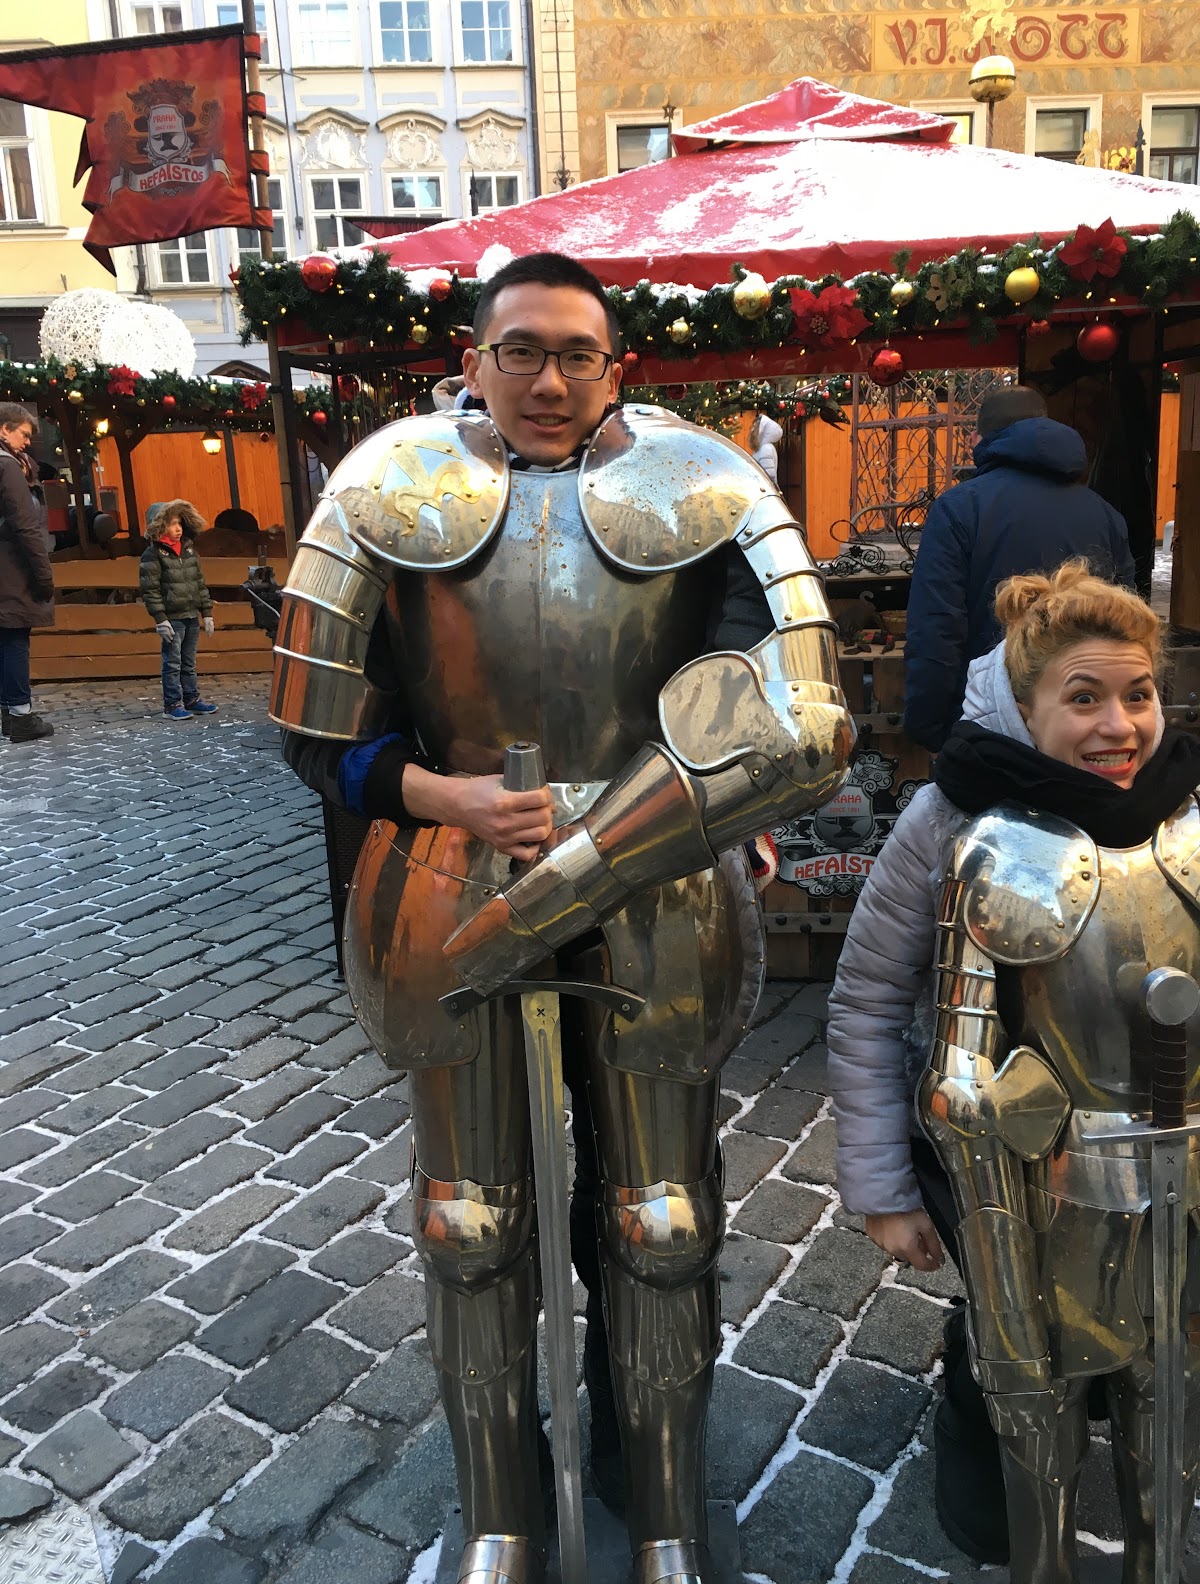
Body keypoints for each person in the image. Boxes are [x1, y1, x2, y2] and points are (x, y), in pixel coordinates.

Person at [272, 251, 853, 1584]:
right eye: (520, 350)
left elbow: (801, 713)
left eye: (574, 353)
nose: (546, 379)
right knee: (468, 1224)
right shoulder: (384, 484)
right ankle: (502, 1512)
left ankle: (663, 1511)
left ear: (614, 366)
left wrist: (626, 842)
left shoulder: (707, 485)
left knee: (663, 1222)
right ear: (475, 359)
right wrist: (447, 795)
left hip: (658, 875)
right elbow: (316, 729)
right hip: (451, 871)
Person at [828, 561, 1200, 1579]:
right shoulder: (958, 817)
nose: (1119, 725)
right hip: (1012, 1175)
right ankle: (973, 1422)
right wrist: (883, 1188)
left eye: (1138, 695)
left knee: (1166, 1377)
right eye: (1084, 699)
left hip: (1175, 1171)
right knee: (1022, 1380)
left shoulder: (1185, 809)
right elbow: (867, 999)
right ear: (1027, 709)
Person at [903, 385, 1135, 753]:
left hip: (987, 719)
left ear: (979, 439)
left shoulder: (959, 508)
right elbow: (1125, 623)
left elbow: (936, 626)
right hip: (1080, 718)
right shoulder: (1105, 513)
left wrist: (928, 725)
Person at [0, 403, 54, 743]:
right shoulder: (7, 466)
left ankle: (9, 713)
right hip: (12, 567)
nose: (28, 442)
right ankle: (20, 715)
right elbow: (25, 525)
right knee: (16, 638)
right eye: (24, 434)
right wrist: (43, 574)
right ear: (4, 429)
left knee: (5, 640)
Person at [139, 500, 218, 720]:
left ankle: (192, 698)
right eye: (172, 524)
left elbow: (199, 582)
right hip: (173, 618)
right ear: (160, 526)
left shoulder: (189, 550)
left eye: (179, 523)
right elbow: (150, 589)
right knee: (172, 663)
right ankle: (172, 703)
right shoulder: (153, 555)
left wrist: (207, 613)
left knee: (189, 662)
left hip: (191, 615)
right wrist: (160, 619)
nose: (178, 528)